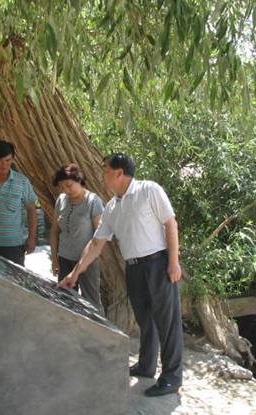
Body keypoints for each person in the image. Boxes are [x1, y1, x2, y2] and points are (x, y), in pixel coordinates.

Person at [58, 153, 183, 397]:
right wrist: (74, 273)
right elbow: (96, 243)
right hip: (133, 268)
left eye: (105, 170)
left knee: (167, 322)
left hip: (158, 264)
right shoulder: (112, 207)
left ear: (119, 172)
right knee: (145, 320)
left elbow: (170, 224)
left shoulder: (149, 190)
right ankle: (146, 366)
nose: (102, 175)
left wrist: (173, 262)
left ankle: (171, 377)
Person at [50, 164, 104, 313]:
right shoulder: (61, 200)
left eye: (69, 185)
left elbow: (99, 236)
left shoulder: (93, 201)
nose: (66, 190)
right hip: (64, 258)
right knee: (65, 299)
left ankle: (96, 327)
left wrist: (82, 264)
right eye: (62, 187)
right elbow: (54, 231)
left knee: (91, 302)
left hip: (87, 261)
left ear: (79, 180)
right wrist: (54, 258)